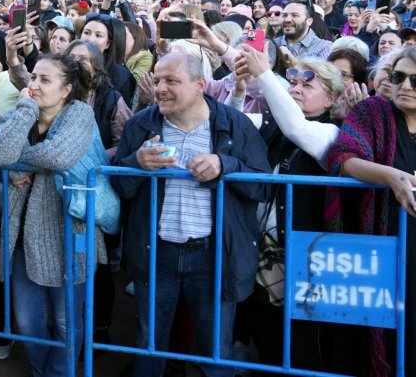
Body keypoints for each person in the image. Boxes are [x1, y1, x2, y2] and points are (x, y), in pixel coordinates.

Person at [111, 52, 270, 377]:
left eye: (171, 80)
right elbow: (119, 188)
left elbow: (263, 186)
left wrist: (225, 165)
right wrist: (135, 164)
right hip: (156, 253)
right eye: (158, 80)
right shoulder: (141, 125)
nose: (160, 88)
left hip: (214, 256)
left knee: (215, 350)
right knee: (150, 343)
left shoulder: (234, 124)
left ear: (200, 85)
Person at [0, 54, 98, 377]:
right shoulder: (23, 111)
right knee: (27, 320)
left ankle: (59, 373)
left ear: (67, 89)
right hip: (23, 233)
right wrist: (26, 111)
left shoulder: (80, 113)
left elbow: (59, 155)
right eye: (33, 77)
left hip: (68, 231)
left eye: (45, 80)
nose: (34, 84)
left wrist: (18, 162)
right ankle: (39, 369)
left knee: (65, 319)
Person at [228, 50, 343, 369]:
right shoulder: (273, 123)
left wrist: (265, 74)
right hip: (257, 250)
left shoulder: (331, 133)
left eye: (308, 83)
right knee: (264, 336)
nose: (296, 88)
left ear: (331, 99)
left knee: (296, 346)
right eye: (293, 81)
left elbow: (298, 129)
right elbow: (230, 125)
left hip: (300, 258)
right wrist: (238, 91)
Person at [325, 45, 416, 377]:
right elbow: (343, 158)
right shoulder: (374, 111)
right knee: (385, 333)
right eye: (398, 77)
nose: (405, 86)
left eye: (415, 80)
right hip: (384, 242)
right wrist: (392, 177)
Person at [80, 15, 136, 104]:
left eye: (98, 35)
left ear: (108, 43)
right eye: (86, 33)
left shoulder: (121, 76)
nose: (90, 39)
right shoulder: (68, 63)